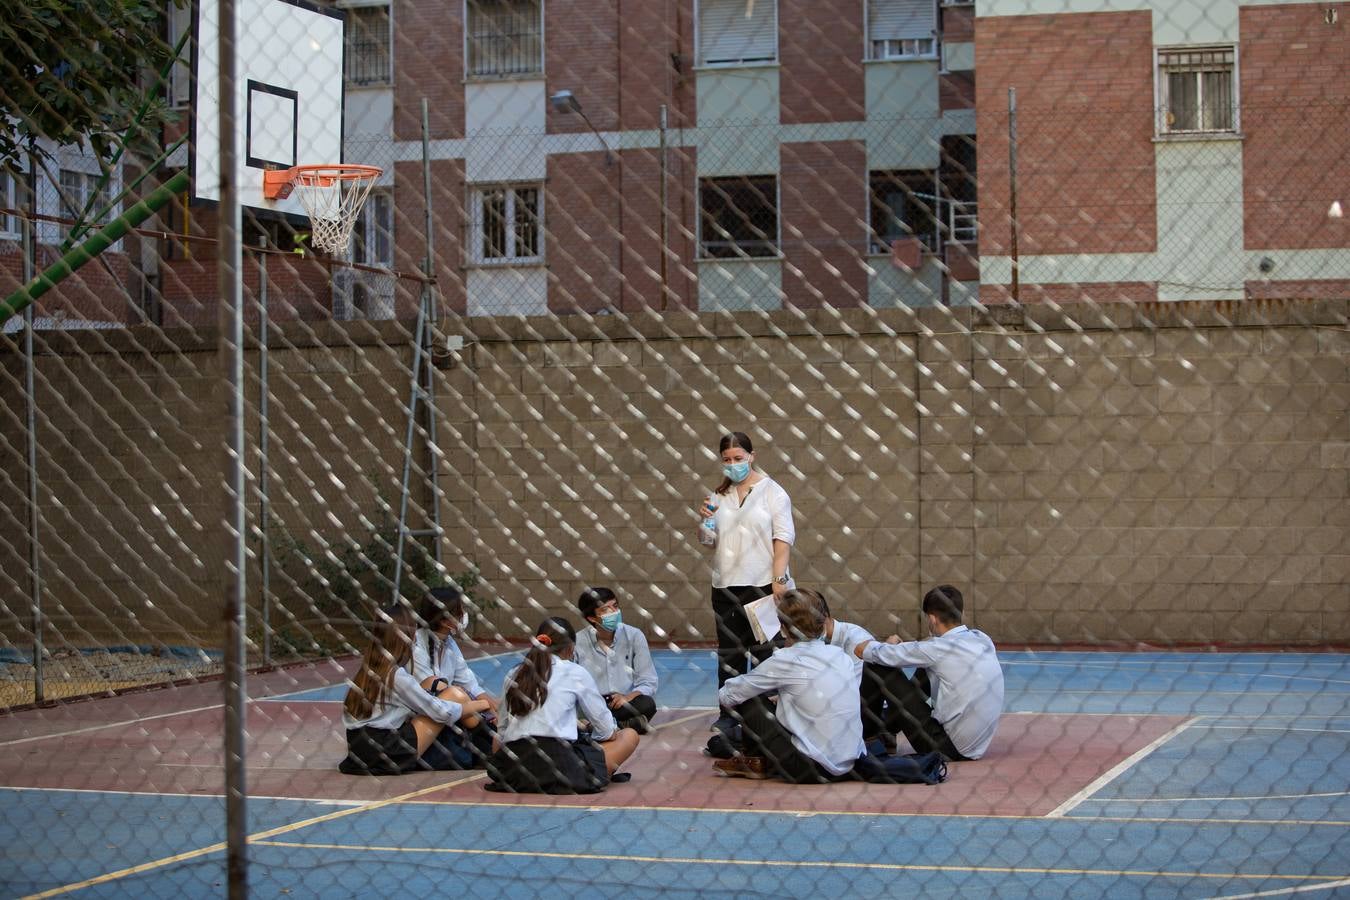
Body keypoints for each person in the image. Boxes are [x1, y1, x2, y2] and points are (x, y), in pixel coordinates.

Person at [695, 431, 796, 747]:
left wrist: (779, 582)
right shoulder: (717, 496)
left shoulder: (773, 492)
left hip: (763, 585)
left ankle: (765, 714)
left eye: (738, 459)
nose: (733, 464)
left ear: (752, 456)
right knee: (730, 655)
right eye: (726, 460)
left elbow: (783, 539)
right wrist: (705, 522)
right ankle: (728, 714)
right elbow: (708, 542)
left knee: (765, 652)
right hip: (725, 586)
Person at [714, 589, 866, 782]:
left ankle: (753, 760)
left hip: (809, 769)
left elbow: (728, 695)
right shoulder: (841, 656)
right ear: (823, 622)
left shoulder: (786, 660)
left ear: (783, 628)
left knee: (751, 699)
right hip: (852, 763)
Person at [486, 617, 641, 794]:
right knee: (628, 735)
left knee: (498, 739)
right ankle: (595, 773)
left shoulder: (515, 673)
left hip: (514, 769)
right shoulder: (575, 672)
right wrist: (597, 733)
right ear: (570, 648)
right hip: (559, 764)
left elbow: (502, 731)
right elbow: (605, 729)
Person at [339, 604, 495, 776]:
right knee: (452, 696)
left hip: (357, 748)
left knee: (435, 686)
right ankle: (492, 748)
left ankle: (489, 747)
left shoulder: (369, 669)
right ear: (405, 637)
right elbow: (440, 712)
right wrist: (480, 704)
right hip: (387, 749)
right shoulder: (396, 675)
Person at [852, 585, 1004, 761]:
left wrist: (889, 645)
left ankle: (868, 738)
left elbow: (863, 651)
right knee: (927, 669)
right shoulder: (982, 638)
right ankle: (887, 731)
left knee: (876, 664)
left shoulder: (937, 649)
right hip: (976, 746)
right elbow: (930, 649)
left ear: (932, 619)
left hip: (945, 746)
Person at [410, 584, 499, 766]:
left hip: (451, 711)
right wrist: (482, 705)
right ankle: (495, 748)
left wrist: (494, 711)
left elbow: (471, 684)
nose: (464, 615)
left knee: (489, 705)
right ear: (444, 620)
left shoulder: (448, 642)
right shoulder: (417, 645)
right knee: (458, 696)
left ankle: (496, 744)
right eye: (460, 611)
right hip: (424, 717)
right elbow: (429, 694)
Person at [572, 587, 659, 734]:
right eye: (605, 609)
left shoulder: (634, 636)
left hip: (621, 703)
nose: (614, 612)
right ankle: (623, 725)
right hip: (591, 703)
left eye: (615, 606)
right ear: (592, 618)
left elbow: (648, 680)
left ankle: (598, 727)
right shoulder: (577, 641)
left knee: (647, 704)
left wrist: (627, 697)